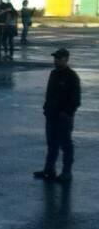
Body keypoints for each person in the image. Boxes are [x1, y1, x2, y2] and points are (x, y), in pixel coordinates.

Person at [34, 48, 80, 183]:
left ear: (66, 59)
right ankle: (49, 169)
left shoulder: (71, 76)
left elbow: (76, 99)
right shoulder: (53, 73)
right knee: (52, 144)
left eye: (59, 58)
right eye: (55, 58)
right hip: (51, 115)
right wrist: (46, 108)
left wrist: (66, 113)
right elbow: (49, 94)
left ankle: (67, 172)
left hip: (63, 117)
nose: (56, 60)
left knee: (66, 145)